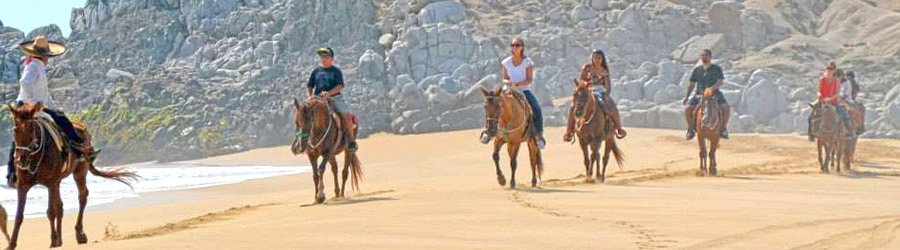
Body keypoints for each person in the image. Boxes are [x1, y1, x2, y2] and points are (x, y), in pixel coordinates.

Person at [7, 36, 97, 187]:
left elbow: (44, 94)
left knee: (60, 118)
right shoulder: (33, 66)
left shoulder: (38, 66)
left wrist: (54, 108)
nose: (47, 57)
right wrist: (32, 103)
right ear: (43, 55)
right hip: (27, 106)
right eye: (47, 54)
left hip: (37, 105)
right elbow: (25, 83)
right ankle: (79, 148)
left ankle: (77, 148)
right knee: (21, 136)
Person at [301, 47, 358, 153]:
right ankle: (301, 142)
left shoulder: (336, 71)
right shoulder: (316, 71)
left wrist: (329, 93)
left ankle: (351, 141)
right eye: (322, 56)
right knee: (303, 116)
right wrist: (309, 96)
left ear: (332, 58)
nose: (323, 58)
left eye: (326, 56)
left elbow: (340, 86)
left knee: (347, 116)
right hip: (318, 99)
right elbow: (309, 86)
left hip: (335, 98)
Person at [563, 49, 627, 142]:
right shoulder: (587, 68)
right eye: (595, 58)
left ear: (602, 60)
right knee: (573, 107)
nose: (597, 60)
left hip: (600, 91)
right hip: (587, 90)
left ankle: (618, 128)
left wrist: (607, 95)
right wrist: (585, 86)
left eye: (599, 58)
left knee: (612, 107)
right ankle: (569, 131)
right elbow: (581, 80)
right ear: (592, 58)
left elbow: (608, 85)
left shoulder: (604, 71)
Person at [501, 38, 545, 149]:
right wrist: (509, 83)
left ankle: (538, 134)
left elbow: (529, 79)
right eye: (513, 45)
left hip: (524, 90)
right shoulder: (506, 62)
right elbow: (504, 78)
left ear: (522, 47)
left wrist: (518, 84)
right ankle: (489, 131)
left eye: (517, 45)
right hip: (509, 89)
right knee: (493, 104)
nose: (514, 48)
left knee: (536, 108)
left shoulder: (527, 62)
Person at [683, 49, 730, 140]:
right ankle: (690, 129)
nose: (704, 57)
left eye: (706, 55)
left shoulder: (716, 69)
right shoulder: (697, 70)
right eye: (702, 55)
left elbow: (720, 82)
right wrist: (687, 96)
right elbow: (692, 84)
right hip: (699, 95)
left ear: (710, 57)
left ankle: (723, 128)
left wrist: (711, 88)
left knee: (725, 107)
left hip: (714, 94)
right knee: (688, 109)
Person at [808, 60, 852, 141]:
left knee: (844, 115)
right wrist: (819, 95)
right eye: (828, 68)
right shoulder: (822, 79)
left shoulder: (837, 81)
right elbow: (818, 90)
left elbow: (837, 93)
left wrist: (830, 99)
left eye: (831, 68)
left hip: (833, 102)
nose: (829, 70)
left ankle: (847, 132)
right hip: (822, 100)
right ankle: (811, 133)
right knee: (811, 115)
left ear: (834, 70)